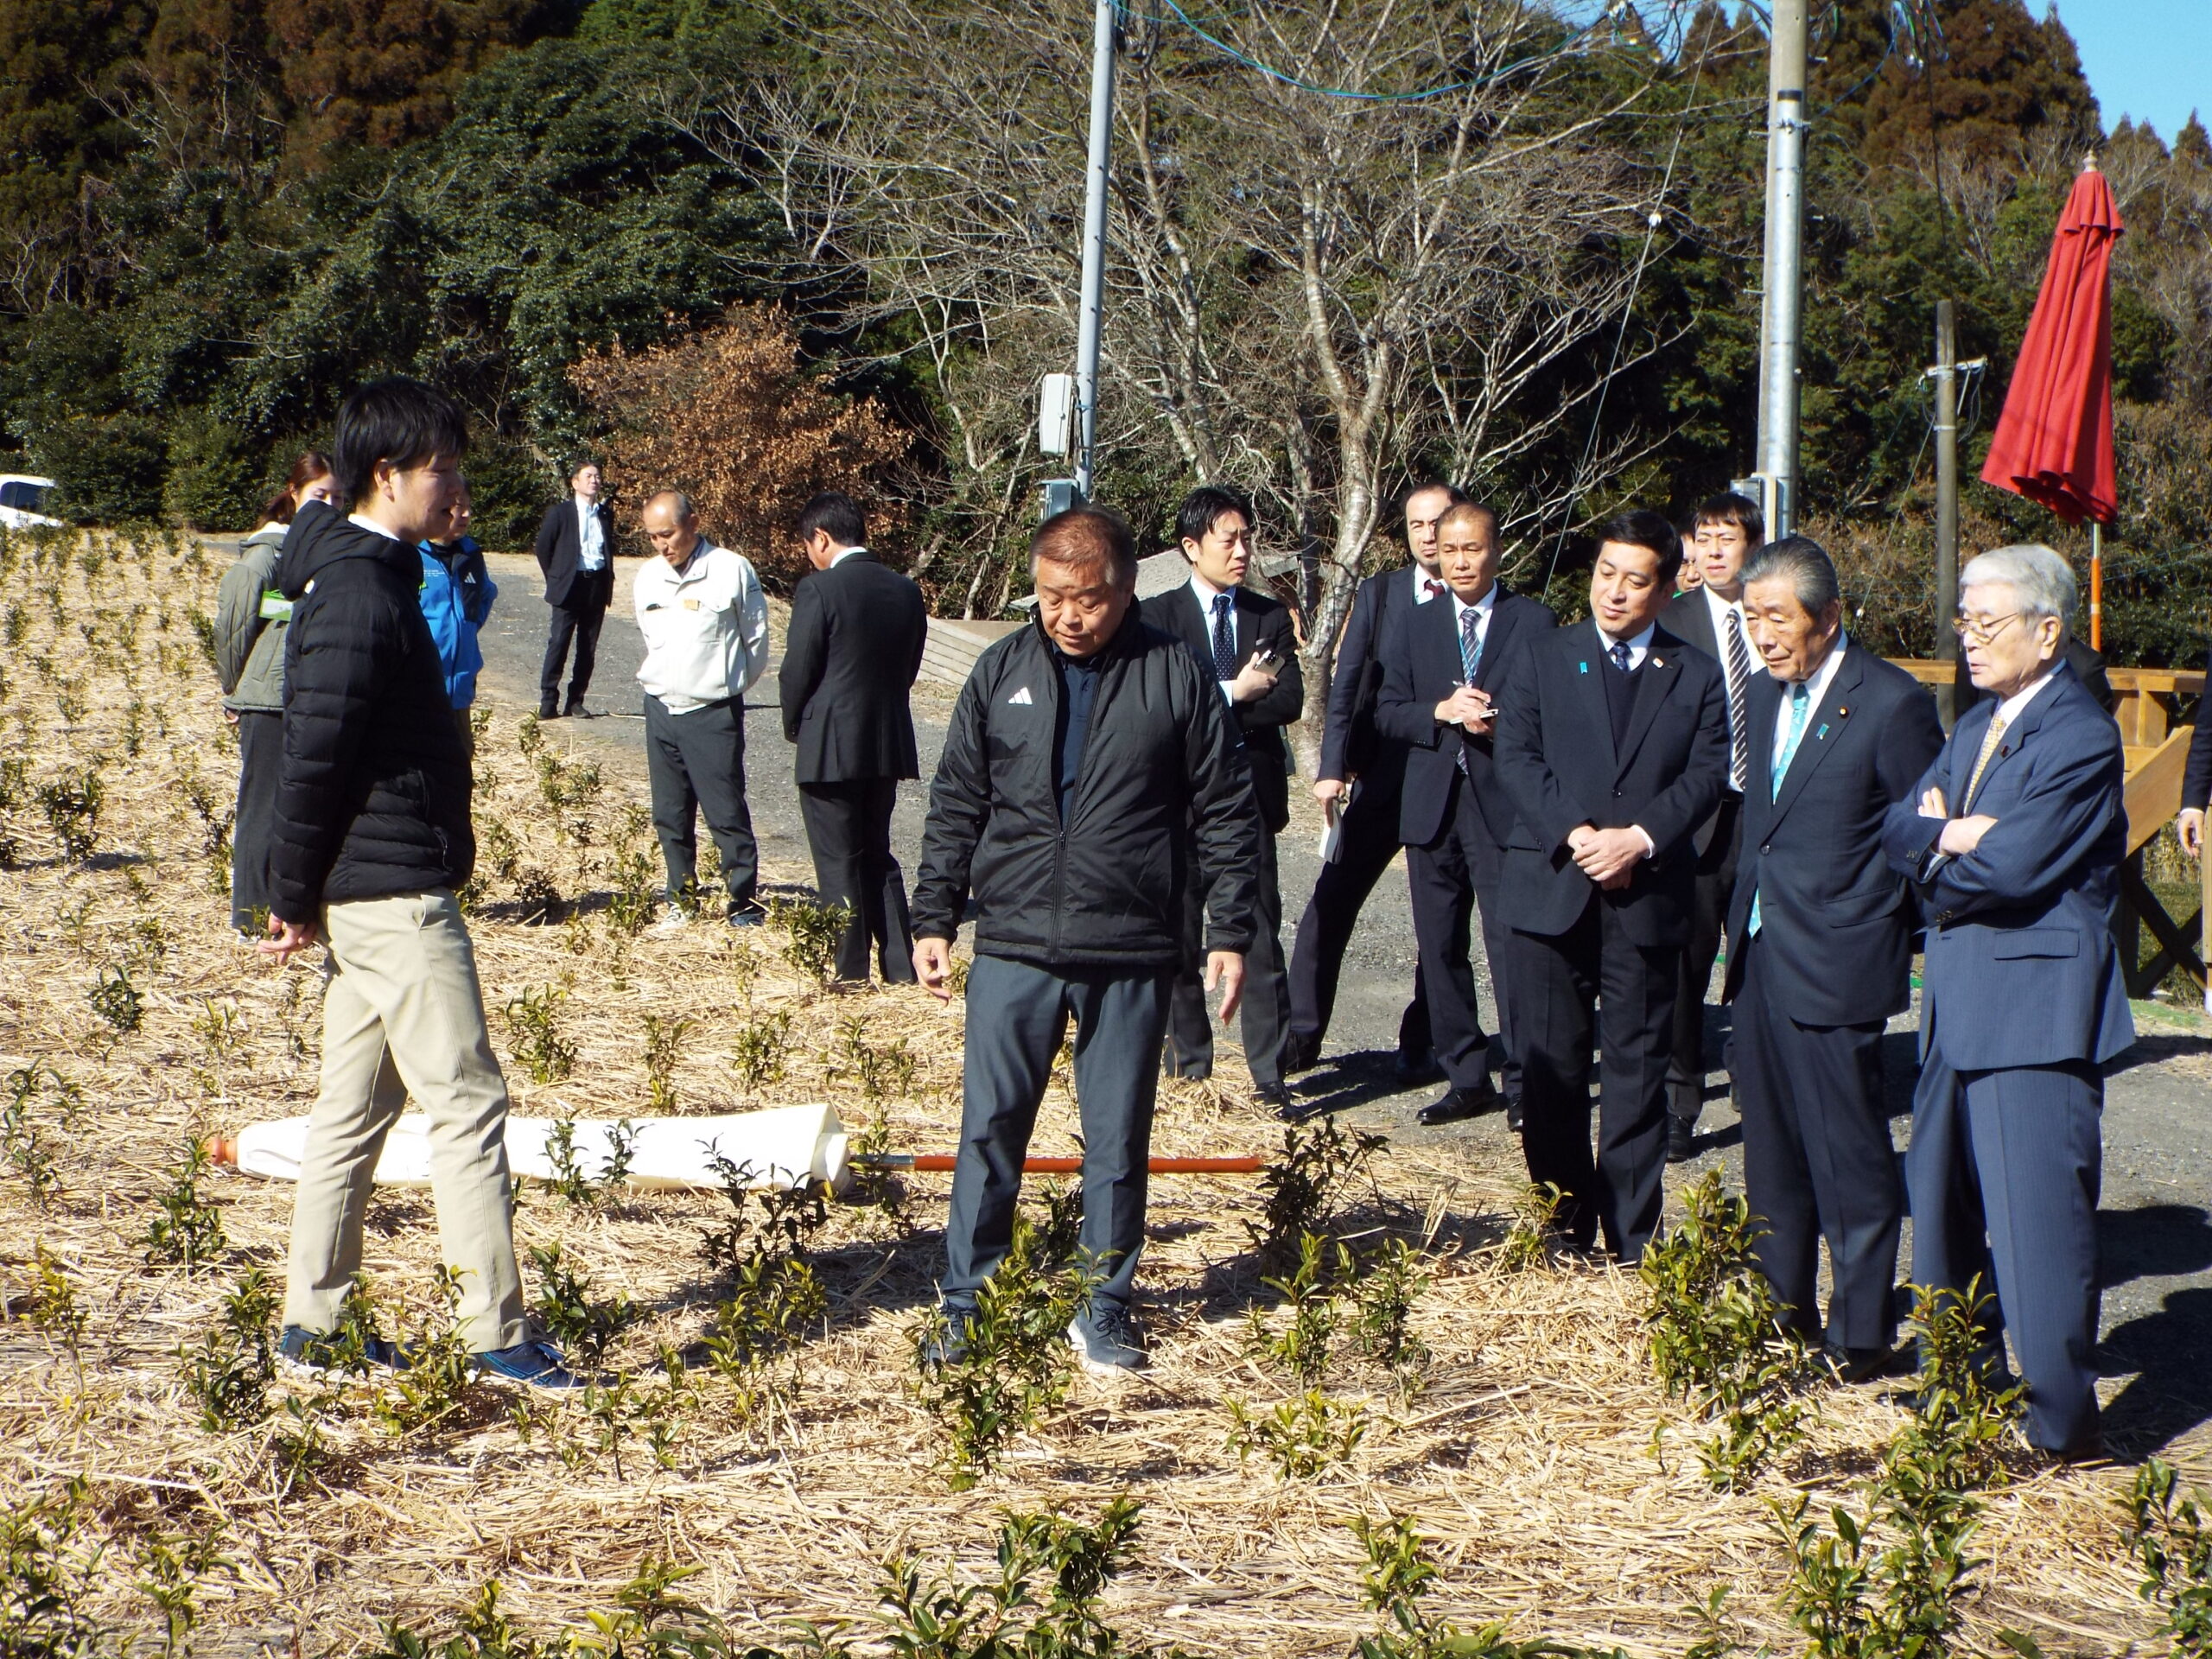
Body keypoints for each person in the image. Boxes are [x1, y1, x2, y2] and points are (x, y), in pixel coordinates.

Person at [261, 378, 573, 1389]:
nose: (460, 486)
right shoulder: (358, 590)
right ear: (387, 476)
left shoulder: (380, 573)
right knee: (469, 1102)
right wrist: (287, 890)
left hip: (370, 887)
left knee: (350, 1113)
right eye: (443, 467)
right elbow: (314, 751)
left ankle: (315, 1324)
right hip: (391, 893)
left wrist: (304, 889)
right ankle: (498, 1339)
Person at [912, 506, 1262, 1370]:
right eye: (1051, 596)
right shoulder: (1000, 671)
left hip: (1131, 945)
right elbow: (957, 799)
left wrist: (1230, 931)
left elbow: (1226, 810)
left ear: (1126, 588)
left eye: (1090, 598)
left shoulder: (1175, 676)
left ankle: (1104, 1305)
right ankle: (967, 1304)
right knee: (989, 1132)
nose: (1070, 615)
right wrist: (933, 915)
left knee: (1115, 1142)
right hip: (1015, 944)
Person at [1883, 542, 2132, 1460]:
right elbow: (1895, 827)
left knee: (2035, 1230)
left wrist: (1938, 848)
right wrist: (1949, 832)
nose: (1968, 637)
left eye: (1985, 622)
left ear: (2047, 629)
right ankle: (1958, 1385)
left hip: (2032, 1008)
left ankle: (2059, 1428)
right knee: (1939, 1206)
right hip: (1956, 998)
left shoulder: (2077, 732)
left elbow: (2014, 865)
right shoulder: (1976, 721)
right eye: (1963, 619)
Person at [1726, 537, 1943, 1378]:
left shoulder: (1888, 702)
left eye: (1777, 619)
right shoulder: (1762, 690)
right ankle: (1780, 1316)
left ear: (1830, 616)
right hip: (1758, 952)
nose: (1764, 636)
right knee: (1770, 1151)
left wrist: (1909, 945)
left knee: (1849, 1156)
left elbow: (1918, 833)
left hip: (1838, 959)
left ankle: (1859, 1334)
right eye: (1751, 621)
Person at [1490, 509, 1729, 1260]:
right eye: (1604, 574)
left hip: (1649, 894)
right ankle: (1564, 1228)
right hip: (1552, 887)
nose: (1614, 594)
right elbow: (1517, 756)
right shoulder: (1542, 655)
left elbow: (1706, 773)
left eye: (1635, 581)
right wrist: (1578, 833)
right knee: (1552, 1073)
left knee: (1636, 1073)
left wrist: (1641, 838)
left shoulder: (1694, 672)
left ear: (1666, 590)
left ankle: (1632, 1239)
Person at [1372, 501, 1555, 1127]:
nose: (1460, 561)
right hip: (1431, 806)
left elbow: (1553, 717)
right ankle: (1465, 1074)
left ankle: (1528, 1083)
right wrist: (1441, 711)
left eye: (1471, 549)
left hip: (1503, 807)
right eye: (1449, 551)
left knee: (1511, 947)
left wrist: (1500, 721)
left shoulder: (1533, 621)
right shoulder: (1416, 623)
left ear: (1496, 549)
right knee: (1439, 946)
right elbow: (1386, 709)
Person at [1284, 482, 1457, 1080]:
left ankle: (1424, 1039)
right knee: (1328, 904)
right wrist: (1331, 768)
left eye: (1439, 522)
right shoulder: (1381, 595)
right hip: (1382, 776)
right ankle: (1300, 1033)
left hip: (1451, 785)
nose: (1429, 535)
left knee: (1441, 924)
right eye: (1416, 524)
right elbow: (1345, 687)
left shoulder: (1477, 601)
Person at [1139, 485, 1302, 1114]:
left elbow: (1288, 699)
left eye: (1245, 538)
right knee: (1178, 939)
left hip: (1248, 799)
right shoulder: (1157, 617)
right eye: (1227, 539)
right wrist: (1236, 690)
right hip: (1175, 804)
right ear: (1191, 547)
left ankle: (1270, 1076)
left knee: (1258, 934)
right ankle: (1189, 1072)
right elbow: (1165, 703)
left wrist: (1226, 693)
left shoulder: (1266, 616)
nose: (1241, 551)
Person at [778, 491, 929, 983]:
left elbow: (797, 670)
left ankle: (849, 972)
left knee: (838, 858)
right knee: (877, 851)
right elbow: (908, 670)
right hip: (886, 740)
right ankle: (900, 966)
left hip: (830, 743)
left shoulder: (819, 590)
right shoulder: (906, 591)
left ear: (821, 538)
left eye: (808, 544)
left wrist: (795, 723)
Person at [1657, 492, 1763, 1162]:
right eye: (1706, 536)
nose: (1715, 548)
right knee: (1683, 968)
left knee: (1759, 961)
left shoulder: (1779, 613)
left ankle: (1756, 1082)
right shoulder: (1670, 621)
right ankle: (1678, 1103)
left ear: (1753, 545)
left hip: (1765, 814)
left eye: (1729, 537)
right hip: (1694, 818)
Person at [633, 489, 771, 925]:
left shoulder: (731, 570)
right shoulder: (648, 577)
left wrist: (724, 685)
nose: (662, 545)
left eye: (669, 534)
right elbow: (650, 637)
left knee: (725, 811)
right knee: (670, 813)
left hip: (711, 711)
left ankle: (743, 903)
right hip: (660, 709)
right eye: (654, 537)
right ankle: (681, 897)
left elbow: (756, 641)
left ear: (693, 523)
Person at [214, 452, 336, 935]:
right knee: (262, 803)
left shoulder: (329, 549)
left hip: (311, 693)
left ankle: (290, 910)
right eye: (319, 494)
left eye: (338, 497)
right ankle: (248, 914)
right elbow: (233, 627)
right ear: (294, 493)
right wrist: (234, 689)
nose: (328, 504)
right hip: (266, 697)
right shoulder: (267, 554)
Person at [418, 480, 497, 747]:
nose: (465, 515)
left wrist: (466, 628)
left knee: (459, 767)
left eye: (468, 507)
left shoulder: (471, 553)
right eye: (457, 507)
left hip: (460, 690)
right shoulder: (413, 552)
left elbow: (485, 595)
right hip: (421, 687)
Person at [534, 461, 615, 719]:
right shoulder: (561, 513)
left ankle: (576, 701)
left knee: (587, 647)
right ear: (575, 482)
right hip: (568, 586)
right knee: (559, 642)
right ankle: (548, 701)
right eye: (589, 476)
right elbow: (542, 548)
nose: (595, 480)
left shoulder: (605, 514)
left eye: (598, 476)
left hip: (597, 585)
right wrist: (556, 578)